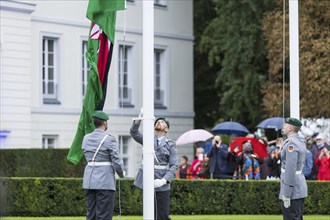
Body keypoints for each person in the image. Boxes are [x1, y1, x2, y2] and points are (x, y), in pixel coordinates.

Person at [130, 117, 178, 220]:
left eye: (162, 122)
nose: (159, 123)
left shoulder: (170, 144)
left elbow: (174, 165)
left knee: (162, 215)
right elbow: (134, 132)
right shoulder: (148, 140)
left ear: (166, 129)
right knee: (150, 213)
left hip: (161, 181)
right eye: (157, 122)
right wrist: (138, 119)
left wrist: (164, 180)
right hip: (148, 179)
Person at [82, 110, 125, 220]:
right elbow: (116, 160)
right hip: (104, 181)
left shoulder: (86, 138)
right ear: (105, 123)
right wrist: (121, 173)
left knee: (91, 215)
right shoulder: (109, 139)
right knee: (104, 215)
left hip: (89, 181)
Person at [279, 118, 307, 220]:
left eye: (285, 125)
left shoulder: (291, 144)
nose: (283, 127)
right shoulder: (298, 141)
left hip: (292, 189)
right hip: (297, 186)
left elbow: (290, 169)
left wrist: (286, 194)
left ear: (290, 128)